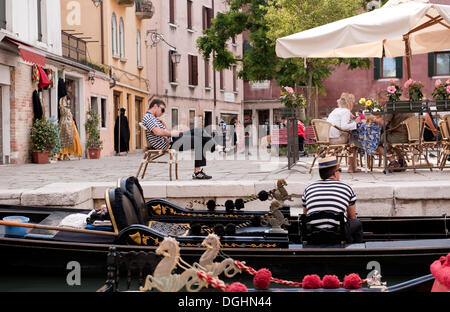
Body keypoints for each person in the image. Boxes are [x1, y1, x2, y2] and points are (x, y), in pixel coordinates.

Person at [141, 99, 223, 180]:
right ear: (155, 106)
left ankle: (214, 147)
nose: (162, 113)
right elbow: (157, 132)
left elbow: (164, 131)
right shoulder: (148, 117)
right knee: (198, 140)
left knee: (198, 130)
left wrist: (163, 123)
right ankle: (198, 171)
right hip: (170, 143)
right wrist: (173, 133)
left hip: (172, 139)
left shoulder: (153, 118)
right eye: (162, 110)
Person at [301, 156, 363, 244]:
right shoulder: (346, 188)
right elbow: (352, 216)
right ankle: (356, 251)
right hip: (338, 233)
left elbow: (305, 214)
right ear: (335, 173)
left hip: (314, 233)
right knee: (357, 223)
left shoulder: (309, 188)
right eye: (339, 170)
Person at [326, 92, 361, 172]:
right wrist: (355, 122)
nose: (353, 104)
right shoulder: (345, 111)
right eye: (352, 102)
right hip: (336, 139)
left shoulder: (336, 110)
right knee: (353, 141)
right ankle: (352, 167)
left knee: (350, 137)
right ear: (349, 103)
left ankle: (349, 166)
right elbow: (344, 127)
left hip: (327, 137)